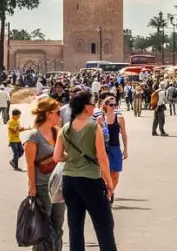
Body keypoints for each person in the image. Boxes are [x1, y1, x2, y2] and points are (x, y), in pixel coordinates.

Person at [54, 90, 117, 251]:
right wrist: (109, 182)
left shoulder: (65, 129)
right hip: (90, 180)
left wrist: (73, 157)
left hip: (69, 180)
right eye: (91, 104)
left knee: (75, 226)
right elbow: (102, 157)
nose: (93, 107)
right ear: (86, 108)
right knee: (104, 224)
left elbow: (57, 157)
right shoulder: (93, 127)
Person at [25, 98, 66, 251]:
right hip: (42, 186)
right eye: (57, 112)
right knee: (42, 228)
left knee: (58, 224)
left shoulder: (58, 132)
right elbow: (30, 164)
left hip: (59, 187)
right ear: (48, 114)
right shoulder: (33, 137)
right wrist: (32, 186)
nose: (59, 116)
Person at [102, 95, 127, 200]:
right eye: (111, 105)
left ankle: (111, 191)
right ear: (106, 105)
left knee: (115, 175)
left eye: (115, 104)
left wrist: (125, 149)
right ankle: (106, 194)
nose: (113, 107)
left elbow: (124, 134)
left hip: (115, 148)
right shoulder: (101, 119)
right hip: (103, 149)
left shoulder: (119, 118)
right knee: (103, 174)